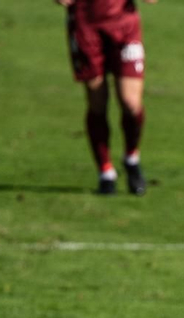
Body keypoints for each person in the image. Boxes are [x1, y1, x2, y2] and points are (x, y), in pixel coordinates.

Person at [60, 0, 154, 196]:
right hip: (86, 23)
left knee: (131, 102)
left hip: (124, 24)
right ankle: (105, 171)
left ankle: (131, 157)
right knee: (97, 101)